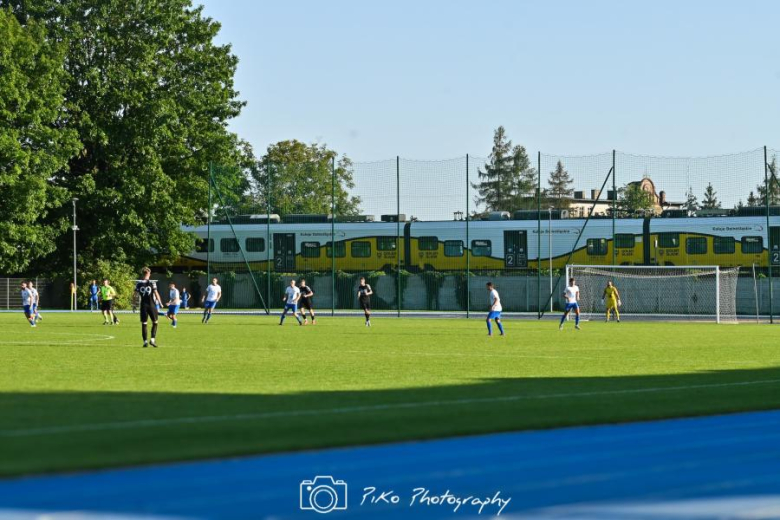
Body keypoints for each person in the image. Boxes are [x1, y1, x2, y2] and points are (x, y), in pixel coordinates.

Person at [136, 267, 163, 347]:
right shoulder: (152, 283)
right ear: (148, 273)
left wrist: (134, 304)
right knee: (155, 322)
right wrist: (160, 303)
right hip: (152, 305)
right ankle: (152, 340)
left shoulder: (138, 283)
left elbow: (134, 295)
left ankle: (145, 342)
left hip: (143, 305)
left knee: (144, 324)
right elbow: (156, 293)